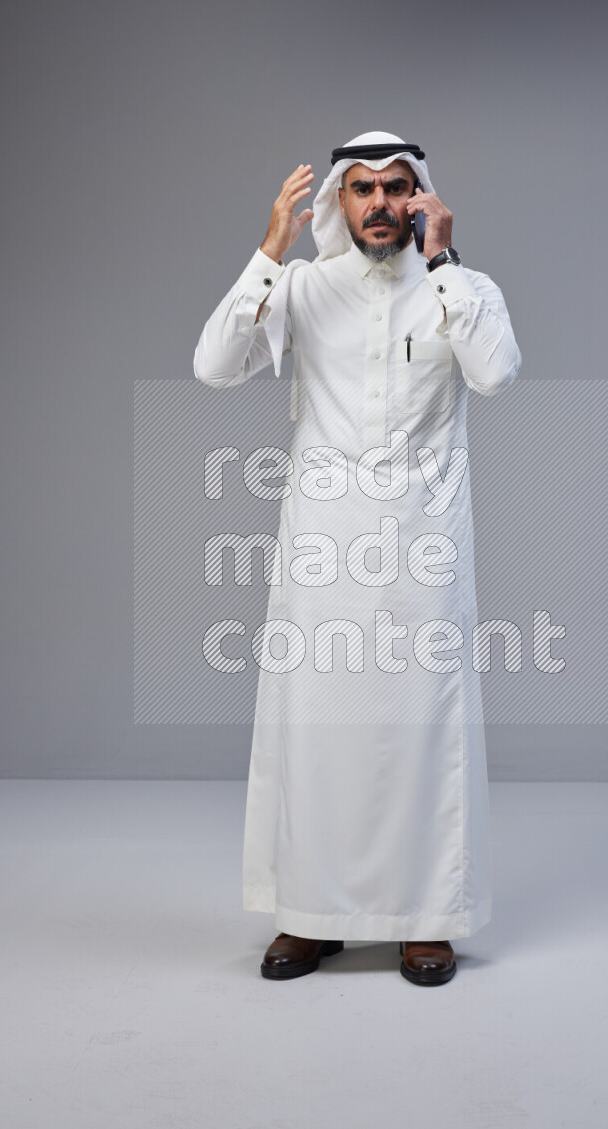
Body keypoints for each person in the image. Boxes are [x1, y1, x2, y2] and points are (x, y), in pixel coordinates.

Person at [193, 131, 522, 986]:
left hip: (422, 541)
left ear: (423, 198)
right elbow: (213, 365)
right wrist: (268, 249)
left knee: (423, 729)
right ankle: (312, 916)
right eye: (363, 188)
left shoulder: (461, 287)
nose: (380, 202)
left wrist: (445, 262)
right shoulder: (303, 286)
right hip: (324, 547)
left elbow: (496, 374)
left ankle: (428, 920)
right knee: (320, 734)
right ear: (339, 201)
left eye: (397, 187)